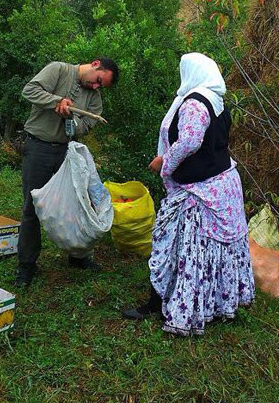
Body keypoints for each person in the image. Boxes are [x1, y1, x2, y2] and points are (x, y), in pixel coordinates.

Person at [122, 52, 255, 335]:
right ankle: (215, 305)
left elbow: (190, 142)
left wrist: (164, 163)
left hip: (201, 192)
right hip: (221, 184)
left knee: (174, 245)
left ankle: (160, 304)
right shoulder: (216, 100)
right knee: (209, 252)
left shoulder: (195, 103)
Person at [16, 58, 119, 288]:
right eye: (98, 81)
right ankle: (26, 265)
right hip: (38, 148)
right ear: (95, 65)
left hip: (66, 151)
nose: (96, 87)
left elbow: (86, 125)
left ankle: (78, 256)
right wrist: (56, 102)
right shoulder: (58, 70)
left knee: (76, 203)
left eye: (101, 86)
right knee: (31, 207)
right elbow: (30, 90)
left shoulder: (94, 98)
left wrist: (71, 118)